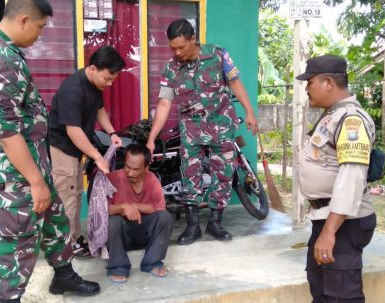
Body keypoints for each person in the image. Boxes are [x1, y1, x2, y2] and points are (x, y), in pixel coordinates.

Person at [0, 1, 100, 301]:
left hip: (30, 163)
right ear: (24, 20)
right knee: (18, 237)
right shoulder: (2, 60)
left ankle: (64, 275)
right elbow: (7, 130)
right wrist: (36, 181)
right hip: (18, 170)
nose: (39, 36)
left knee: (55, 220)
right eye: (40, 28)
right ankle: (8, 296)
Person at [146, 19, 259, 245]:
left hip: (222, 124)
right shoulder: (171, 68)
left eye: (181, 47)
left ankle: (215, 223)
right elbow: (165, 104)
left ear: (193, 40)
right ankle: (192, 226)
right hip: (192, 128)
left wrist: (249, 112)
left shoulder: (217, 55)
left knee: (224, 172)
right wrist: (151, 138)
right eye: (173, 48)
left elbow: (235, 83)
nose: (177, 52)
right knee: (190, 174)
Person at [295, 54, 377, 303]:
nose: (307, 88)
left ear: (328, 82)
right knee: (321, 290)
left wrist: (329, 232)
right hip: (328, 218)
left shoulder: (351, 120)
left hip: (343, 223)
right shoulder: (334, 114)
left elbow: (351, 178)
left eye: (310, 81)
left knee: (341, 296)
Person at [48, 46, 125, 257]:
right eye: (107, 78)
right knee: (67, 197)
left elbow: (99, 110)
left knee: (75, 194)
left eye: (113, 80)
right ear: (92, 68)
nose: (109, 84)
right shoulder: (72, 90)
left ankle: (73, 237)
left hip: (77, 149)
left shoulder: (94, 85)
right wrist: (98, 157)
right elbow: (73, 131)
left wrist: (112, 133)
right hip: (63, 148)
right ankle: (65, 245)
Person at [104, 144, 173, 283]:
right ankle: (118, 267)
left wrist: (135, 206)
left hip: (143, 232)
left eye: (136, 169)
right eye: (127, 167)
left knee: (165, 217)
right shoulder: (112, 179)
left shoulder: (152, 179)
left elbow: (159, 207)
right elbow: (100, 210)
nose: (130, 173)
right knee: (112, 221)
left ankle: (152, 262)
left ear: (146, 167)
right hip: (121, 235)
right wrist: (123, 207)